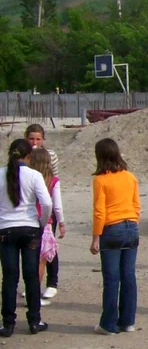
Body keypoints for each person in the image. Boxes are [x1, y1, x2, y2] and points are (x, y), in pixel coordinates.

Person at [0, 139, 52, 337]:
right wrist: (41, 222)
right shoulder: (34, 175)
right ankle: (34, 320)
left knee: (9, 277)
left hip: (6, 229)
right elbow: (46, 203)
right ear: (29, 156)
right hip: (30, 227)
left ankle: (7, 323)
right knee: (31, 276)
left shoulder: (1, 174)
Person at [90, 138, 140, 335]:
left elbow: (99, 211)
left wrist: (96, 237)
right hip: (131, 226)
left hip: (112, 228)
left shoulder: (100, 180)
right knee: (128, 276)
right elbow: (136, 205)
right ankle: (127, 321)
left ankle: (108, 323)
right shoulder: (130, 177)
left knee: (111, 278)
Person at [24, 124, 62, 299]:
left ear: (43, 139)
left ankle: (52, 282)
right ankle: (33, 285)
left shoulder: (50, 155)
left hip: (46, 208)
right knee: (33, 250)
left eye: (38, 138)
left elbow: (53, 177)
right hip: (30, 208)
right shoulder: (23, 155)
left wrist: (58, 216)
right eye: (31, 138)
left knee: (49, 246)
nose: (34, 142)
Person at [29, 148, 65, 307]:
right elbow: (56, 206)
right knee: (41, 261)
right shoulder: (53, 180)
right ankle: (35, 293)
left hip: (28, 220)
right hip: (45, 222)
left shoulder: (27, 178)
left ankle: (30, 289)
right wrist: (61, 222)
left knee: (30, 260)